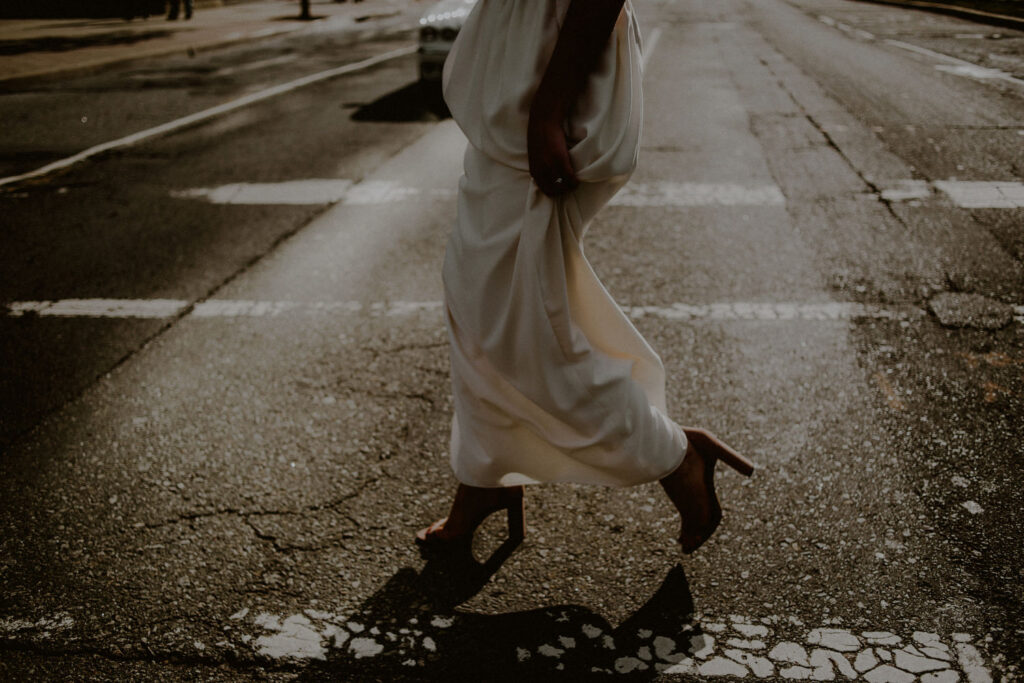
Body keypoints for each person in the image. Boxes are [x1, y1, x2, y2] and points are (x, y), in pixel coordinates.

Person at [417, 0, 753, 554]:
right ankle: (485, 478)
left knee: (523, 330)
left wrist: (547, 110)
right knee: (479, 304)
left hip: (544, 84)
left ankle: (675, 453)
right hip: (517, 80)